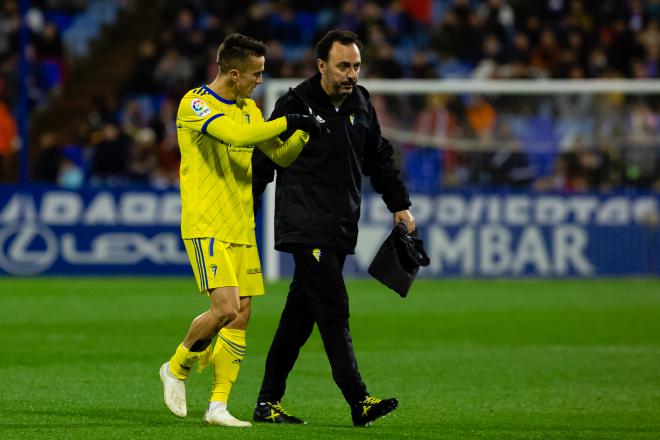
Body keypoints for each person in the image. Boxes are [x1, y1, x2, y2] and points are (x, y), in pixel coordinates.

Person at [251, 29, 416, 427]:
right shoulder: (294, 103)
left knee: (299, 317)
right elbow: (265, 161)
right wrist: (246, 205)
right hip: (304, 224)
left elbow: (378, 158)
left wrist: (400, 205)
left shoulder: (361, 102)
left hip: (342, 224)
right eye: (343, 66)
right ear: (321, 65)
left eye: (356, 66)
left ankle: (266, 402)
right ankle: (358, 399)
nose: (351, 74)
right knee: (334, 307)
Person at [159, 33, 322, 428]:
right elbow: (233, 136)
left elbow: (279, 154)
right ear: (234, 73)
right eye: (256, 74)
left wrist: (305, 130)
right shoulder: (195, 103)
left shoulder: (249, 110)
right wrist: (288, 120)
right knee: (225, 308)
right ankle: (176, 367)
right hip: (207, 223)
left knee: (242, 314)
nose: (260, 81)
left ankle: (218, 406)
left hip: (241, 224)